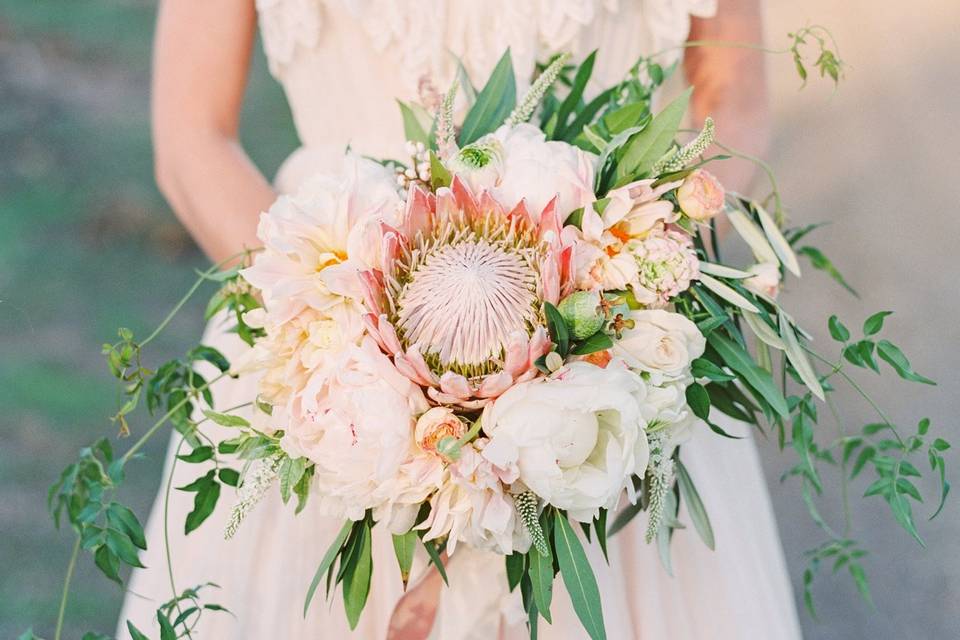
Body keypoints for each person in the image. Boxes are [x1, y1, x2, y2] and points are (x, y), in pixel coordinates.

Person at [120, 1, 800, 638]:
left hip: (604, 353)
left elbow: (732, 108)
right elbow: (192, 138)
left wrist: (620, 286)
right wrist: (340, 329)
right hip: (328, 354)